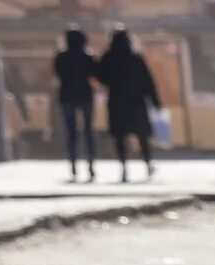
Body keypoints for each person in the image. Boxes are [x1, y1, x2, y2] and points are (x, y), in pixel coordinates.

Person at [96, 27, 163, 183]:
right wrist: (155, 101)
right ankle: (147, 163)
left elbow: (100, 77)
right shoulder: (135, 57)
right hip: (137, 102)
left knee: (120, 137)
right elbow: (148, 80)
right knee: (142, 136)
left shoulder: (108, 57)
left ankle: (124, 167)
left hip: (117, 102)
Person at [52, 28, 99, 182]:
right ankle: (91, 164)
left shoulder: (61, 57)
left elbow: (57, 73)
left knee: (71, 131)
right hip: (85, 95)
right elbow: (95, 73)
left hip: (67, 96)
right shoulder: (88, 56)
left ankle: (73, 165)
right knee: (88, 131)